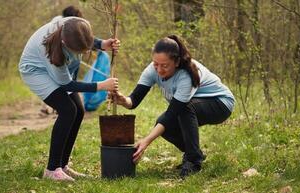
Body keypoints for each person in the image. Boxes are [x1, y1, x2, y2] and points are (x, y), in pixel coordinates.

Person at [111, 35, 235, 178]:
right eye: (155, 64)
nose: (159, 70)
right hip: (193, 104)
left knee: (182, 111)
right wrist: (123, 100)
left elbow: (172, 113)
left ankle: (193, 161)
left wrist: (145, 141)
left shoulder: (187, 74)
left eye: (164, 65)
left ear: (176, 62)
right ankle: (195, 153)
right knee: (163, 126)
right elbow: (134, 100)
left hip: (220, 103)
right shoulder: (153, 69)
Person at [19, 17, 120, 181]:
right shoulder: (52, 50)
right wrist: (100, 85)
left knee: (79, 111)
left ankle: (63, 166)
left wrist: (101, 44)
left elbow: (84, 38)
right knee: (67, 110)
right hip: (36, 72)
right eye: (80, 52)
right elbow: (66, 84)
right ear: (66, 44)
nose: (84, 54)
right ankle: (52, 169)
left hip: (53, 69)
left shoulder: (76, 23)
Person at [41, 5, 84, 115]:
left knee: (76, 108)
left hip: (71, 61)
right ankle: (50, 108)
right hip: (55, 60)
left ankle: (54, 108)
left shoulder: (73, 25)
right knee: (59, 84)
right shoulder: (58, 24)